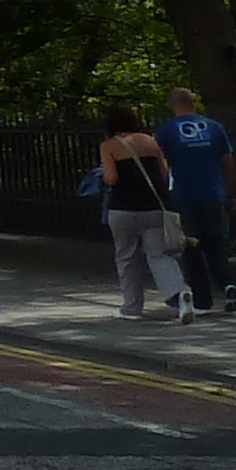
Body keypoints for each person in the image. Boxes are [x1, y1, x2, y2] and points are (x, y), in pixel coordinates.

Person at [96, 101, 190, 322]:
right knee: (159, 255)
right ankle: (179, 294)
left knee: (126, 257)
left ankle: (131, 307)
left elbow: (112, 178)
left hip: (123, 209)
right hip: (154, 207)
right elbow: (165, 176)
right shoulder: (151, 142)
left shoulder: (109, 145)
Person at [161, 85, 236, 312]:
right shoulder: (214, 127)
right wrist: (230, 192)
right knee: (216, 243)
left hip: (185, 196)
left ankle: (203, 300)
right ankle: (228, 285)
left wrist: (166, 190)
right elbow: (229, 162)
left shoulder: (167, 131)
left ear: (172, 105)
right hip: (214, 194)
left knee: (191, 247)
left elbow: (162, 166)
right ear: (194, 102)